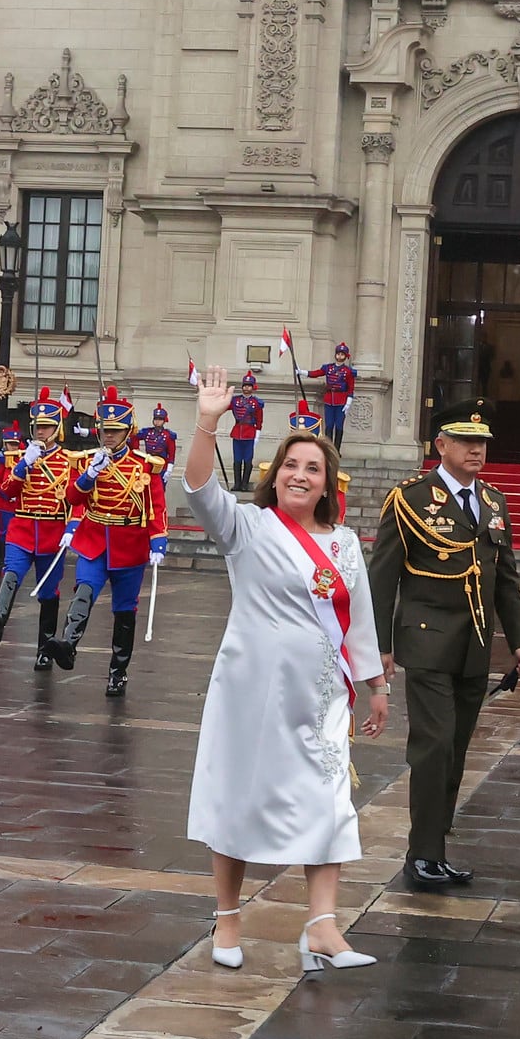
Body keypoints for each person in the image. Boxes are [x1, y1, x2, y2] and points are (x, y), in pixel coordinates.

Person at [181, 365, 388, 973]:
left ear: (327, 484)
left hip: (320, 692)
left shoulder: (346, 544)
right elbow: (198, 488)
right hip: (250, 689)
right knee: (237, 796)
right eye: (291, 466)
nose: (300, 475)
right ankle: (226, 918)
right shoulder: (247, 527)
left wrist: (374, 683)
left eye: (313, 468)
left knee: (328, 801)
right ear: (275, 476)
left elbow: (361, 620)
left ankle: (322, 927)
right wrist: (208, 422)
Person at [368, 397, 520, 889]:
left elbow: (507, 579)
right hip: (425, 641)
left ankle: (435, 849)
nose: (476, 450)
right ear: (440, 444)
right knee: (434, 745)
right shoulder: (411, 498)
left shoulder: (492, 501)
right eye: (465, 441)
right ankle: (420, 855)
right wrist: (380, 646)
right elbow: (382, 578)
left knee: (457, 749)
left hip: (474, 645)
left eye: (481, 442)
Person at [49, 387, 169, 695]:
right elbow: (72, 497)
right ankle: (68, 644)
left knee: (124, 610)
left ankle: (118, 671)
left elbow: (156, 506)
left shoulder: (145, 465)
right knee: (83, 590)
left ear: (128, 431)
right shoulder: (89, 460)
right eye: (105, 430)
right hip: (95, 538)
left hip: (130, 543)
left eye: (115, 431)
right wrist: (89, 474)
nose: (109, 436)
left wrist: (158, 541)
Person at [0, 389, 75, 667]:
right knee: (12, 572)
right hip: (22, 527)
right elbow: (7, 490)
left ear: (57, 429)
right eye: (37, 427)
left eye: (46, 427)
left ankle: (45, 649)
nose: (41, 432)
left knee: (48, 591)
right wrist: (24, 464)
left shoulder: (69, 461)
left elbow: (74, 496)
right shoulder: (22, 457)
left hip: (52, 532)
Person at [308, 343, 358, 452]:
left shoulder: (348, 371)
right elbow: (316, 373)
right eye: (338, 354)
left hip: (341, 401)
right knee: (329, 425)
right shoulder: (328, 368)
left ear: (345, 356)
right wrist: (303, 372)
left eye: (342, 354)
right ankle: (328, 449)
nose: (340, 356)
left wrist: (348, 401)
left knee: (339, 426)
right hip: (329, 400)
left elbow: (350, 387)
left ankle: (336, 450)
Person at [228, 373, 264, 491]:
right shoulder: (235, 400)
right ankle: (237, 483)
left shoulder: (256, 403)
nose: (246, 388)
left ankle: (245, 484)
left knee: (248, 460)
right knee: (237, 460)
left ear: (253, 387)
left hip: (250, 434)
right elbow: (224, 406)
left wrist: (257, 435)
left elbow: (259, 420)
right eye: (245, 385)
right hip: (237, 432)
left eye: (249, 386)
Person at [139, 405, 178, 474]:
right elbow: (134, 438)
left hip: (162, 466)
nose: (157, 421)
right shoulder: (147, 432)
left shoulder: (168, 435)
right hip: (149, 464)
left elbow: (171, 453)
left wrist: (169, 468)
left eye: (160, 419)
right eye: (156, 419)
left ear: (164, 421)